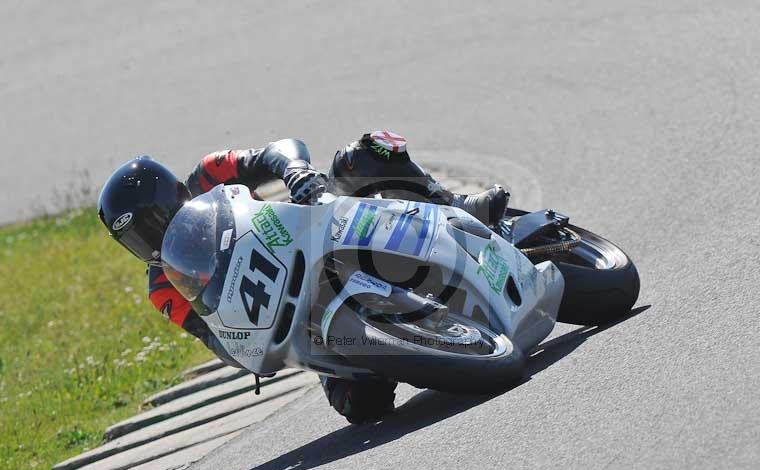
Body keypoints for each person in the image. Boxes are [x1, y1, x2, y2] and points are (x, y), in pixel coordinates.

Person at [97, 131, 509, 423]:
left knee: (360, 155)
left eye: (149, 224)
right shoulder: (162, 286)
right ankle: (418, 335)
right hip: (297, 315)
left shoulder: (208, 175)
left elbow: (274, 152)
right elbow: (214, 338)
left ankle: (458, 207)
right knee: (363, 408)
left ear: (170, 195)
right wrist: (243, 348)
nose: (149, 240)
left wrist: (294, 171)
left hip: (309, 231)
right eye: (134, 238)